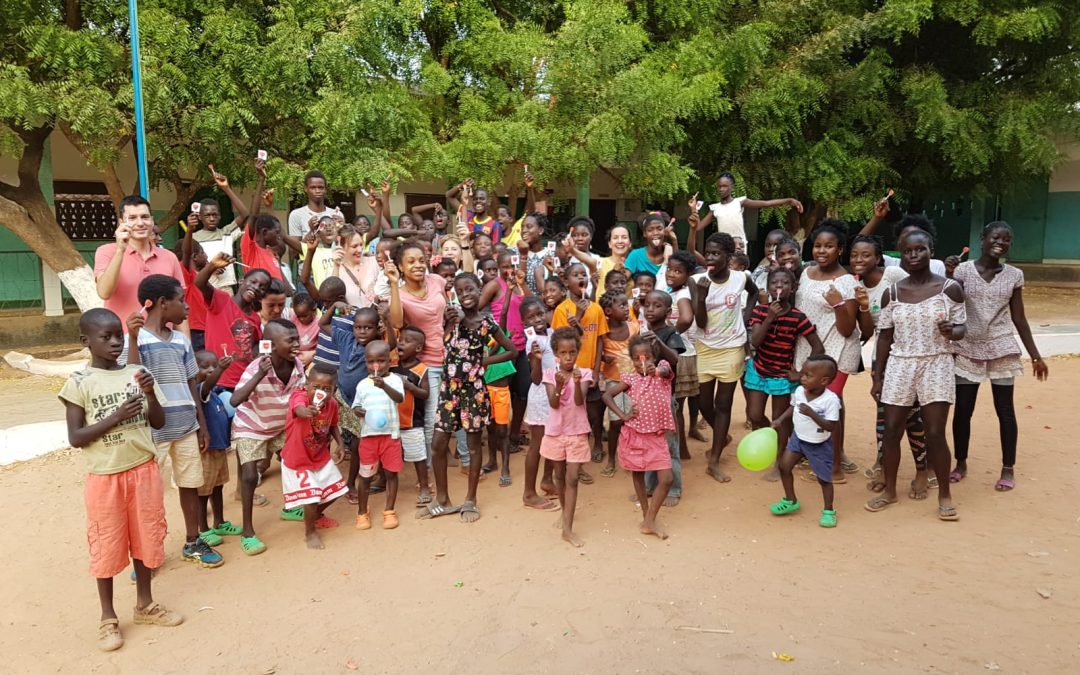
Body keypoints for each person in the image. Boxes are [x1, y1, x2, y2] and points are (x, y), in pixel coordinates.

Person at [59, 309, 183, 652]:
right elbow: (76, 436)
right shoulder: (79, 383)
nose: (115, 342)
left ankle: (145, 604)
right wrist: (116, 416)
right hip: (105, 478)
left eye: (119, 335)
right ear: (86, 342)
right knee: (107, 544)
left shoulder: (137, 373)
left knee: (146, 538)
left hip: (143, 470)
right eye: (106, 337)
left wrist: (151, 395)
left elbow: (157, 422)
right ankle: (107, 617)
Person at [867, 229, 966, 521]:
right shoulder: (893, 293)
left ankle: (945, 494)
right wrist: (877, 376)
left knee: (935, 433)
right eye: (907, 251)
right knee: (891, 431)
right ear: (901, 254)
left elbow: (962, 328)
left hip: (937, 362)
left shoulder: (950, 288)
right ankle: (889, 490)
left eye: (920, 249)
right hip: (900, 363)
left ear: (930, 250)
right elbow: (884, 336)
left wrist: (953, 330)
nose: (913, 256)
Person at [946, 221, 1048, 491]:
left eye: (1006, 239)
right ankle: (961, 463)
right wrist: (949, 274)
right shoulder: (963, 271)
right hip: (968, 346)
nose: (1000, 242)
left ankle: (1007, 468)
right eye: (995, 237)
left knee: (1005, 410)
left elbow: (1019, 318)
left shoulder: (1014, 275)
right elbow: (949, 302)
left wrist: (1036, 356)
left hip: (1002, 347)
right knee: (963, 411)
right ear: (982, 239)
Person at [124, 275, 219, 568]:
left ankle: (192, 541)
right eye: (181, 300)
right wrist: (132, 338)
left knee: (190, 484)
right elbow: (131, 374)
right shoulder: (140, 340)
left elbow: (192, 384)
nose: (187, 307)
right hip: (155, 431)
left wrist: (201, 425)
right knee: (149, 494)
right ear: (163, 303)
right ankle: (146, 552)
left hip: (186, 427)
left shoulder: (180, 340)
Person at [418, 273, 517, 523]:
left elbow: (512, 351)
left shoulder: (487, 323)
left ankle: (471, 499)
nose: (466, 295)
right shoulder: (450, 317)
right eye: (460, 292)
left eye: (470, 289)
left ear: (480, 289)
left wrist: (485, 361)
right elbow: (441, 338)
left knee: (474, 446)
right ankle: (442, 499)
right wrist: (450, 322)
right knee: (439, 444)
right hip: (449, 390)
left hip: (474, 392)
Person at [850, 235, 929, 497]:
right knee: (884, 415)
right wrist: (862, 306)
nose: (859, 260)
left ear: (878, 258)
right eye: (854, 255)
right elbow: (870, 332)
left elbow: (919, 292)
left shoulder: (893, 276)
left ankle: (921, 469)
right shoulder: (856, 285)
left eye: (865, 255)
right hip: (885, 355)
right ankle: (884, 464)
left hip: (912, 353)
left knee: (912, 415)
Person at [229, 319, 306, 555]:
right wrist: (259, 375)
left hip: (278, 425)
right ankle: (248, 531)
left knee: (294, 463)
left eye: (297, 338)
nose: (297, 343)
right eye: (290, 340)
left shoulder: (298, 365)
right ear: (271, 346)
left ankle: (290, 507)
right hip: (251, 426)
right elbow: (235, 400)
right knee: (250, 475)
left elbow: (298, 394)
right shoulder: (256, 367)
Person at [793, 221, 861, 482]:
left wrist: (839, 304)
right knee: (828, 404)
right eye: (818, 245)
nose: (822, 251)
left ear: (840, 249)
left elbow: (847, 329)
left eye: (829, 246)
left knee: (827, 405)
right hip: (808, 348)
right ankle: (834, 452)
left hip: (837, 350)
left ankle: (834, 468)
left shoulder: (845, 282)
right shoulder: (805, 273)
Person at [746, 268, 824, 479]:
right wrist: (770, 317)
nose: (779, 287)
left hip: (781, 376)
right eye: (774, 283)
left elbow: (818, 348)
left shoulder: (798, 317)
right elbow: (755, 342)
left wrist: (801, 375)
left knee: (779, 419)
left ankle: (780, 460)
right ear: (768, 287)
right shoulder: (761, 311)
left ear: (794, 287)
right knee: (754, 415)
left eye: (784, 283)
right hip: (758, 370)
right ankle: (767, 441)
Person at [692, 232, 758, 483]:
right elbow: (700, 322)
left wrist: (746, 316)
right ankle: (723, 434)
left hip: (732, 347)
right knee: (704, 402)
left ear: (729, 257)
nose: (710, 257)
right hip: (706, 347)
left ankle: (715, 459)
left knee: (724, 404)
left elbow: (754, 294)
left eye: (716, 253)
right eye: (708, 252)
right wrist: (701, 296)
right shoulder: (698, 280)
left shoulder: (742, 277)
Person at [602, 336, 676, 539]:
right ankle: (647, 516)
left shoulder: (662, 370)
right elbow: (607, 396)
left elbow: (667, 370)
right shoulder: (630, 379)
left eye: (646, 357)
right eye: (636, 358)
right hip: (634, 434)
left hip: (657, 436)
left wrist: (657, 371)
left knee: (667, 479)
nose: (642, 362)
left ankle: (650, 518)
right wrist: (624, 415)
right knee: (638, 474)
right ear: (632, 360)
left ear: (654, 357)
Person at [318, 306, 384, 503]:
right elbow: (323, 323)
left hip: (361, 404)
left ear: (377, 329)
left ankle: (350, 483)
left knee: (357, 445)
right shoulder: (346, 338)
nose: (362, 332)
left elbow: (394, 344)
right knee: (326, 434)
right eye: (358, 327)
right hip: (341, 398)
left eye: (368, 328)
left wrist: (387, 320)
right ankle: (321, 480)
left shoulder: (376, 348)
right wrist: (334, 307)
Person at [768, 356, 842, 527]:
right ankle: (790, 500)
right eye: (802, 374)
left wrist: (812, 414)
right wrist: (780, 420)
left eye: (808, 375)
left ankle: (829, 510)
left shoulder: (830, 400)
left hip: (819, 444)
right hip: (798, 439)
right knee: (784, 467)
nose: (802, 378)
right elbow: (793, 406)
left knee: (824, 479)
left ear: (824, 380)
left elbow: (831, 426)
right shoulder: (800, 390)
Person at [95, 195, 187, 334]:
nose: (140, 223)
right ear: (121, 222)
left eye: (145, 217)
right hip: (122, 342)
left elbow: (180, 305)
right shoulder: (106, 252)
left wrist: (186, 348)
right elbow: (104, 293)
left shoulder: (169, 257)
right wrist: (120, 250)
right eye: (132, 218)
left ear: (151, 220)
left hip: (162, 343)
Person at [551, 263, 607, 482]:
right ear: (566, 282)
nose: (580, 277)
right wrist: (579, 315)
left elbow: (601, 340)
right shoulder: (561, 310)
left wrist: (595, 370)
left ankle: (584, 456)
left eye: (583, 274)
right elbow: (560, 343)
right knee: (570, 418)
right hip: (568, 374)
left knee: (589, 416)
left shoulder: (597, 308)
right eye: (575, 275)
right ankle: (570, 463)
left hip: (589, 373)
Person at [281, 365, 347, 548]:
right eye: (316, 387)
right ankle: (309, 532)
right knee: (312, 497)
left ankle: (315, 515)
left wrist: (340, 444)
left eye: (327, 389)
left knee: (337, 490)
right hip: (298, 460)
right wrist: (306, 411)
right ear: (307, 385)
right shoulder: (300, 396)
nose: (321, 392)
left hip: (319, 456)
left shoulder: (332, 404)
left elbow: (333, 425)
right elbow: (298, 408)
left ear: (334, 390)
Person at [542, 327, 594, 547]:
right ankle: (565, 514)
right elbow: (553, 403)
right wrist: (560, 385)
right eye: (563, 353)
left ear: (577, 352)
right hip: (555, 432)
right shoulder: (549, 375)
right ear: (556, 354)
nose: (568, 357)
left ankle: (568, 529)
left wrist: (576, 381)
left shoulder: (585, 373)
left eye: (572, 352)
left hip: (577, 431)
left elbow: (580, 401)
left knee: (572, 477)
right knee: (559, 476)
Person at [194, 254, 270, 399]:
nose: (256, 287)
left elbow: (253, 346)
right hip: (218, 380)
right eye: (253, 282)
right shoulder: (221, 300)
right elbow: (199, 283)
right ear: (241, 281)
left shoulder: (255, 318)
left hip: (243, 382)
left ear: (263, 295)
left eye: (262, 287)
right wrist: (212, 266)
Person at [351, 340, 405, 530]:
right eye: (371, 362)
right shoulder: (362, 385)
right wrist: (359, 411)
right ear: (365, 362)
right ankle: (362, 513)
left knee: (391, 473)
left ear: (390, 361)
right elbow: (356, 406)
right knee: (365, 476)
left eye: (381, 361)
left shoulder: (395, 380)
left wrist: (384, 386)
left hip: (390, 436)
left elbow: (399, 398)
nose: (376, 366)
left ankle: (389, 510)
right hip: (368, 438)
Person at [192, 350, 241, 545]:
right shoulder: (198, 391)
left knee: (218, 486)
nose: (210, 370)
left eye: (213, 365)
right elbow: (207, 384)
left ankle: (219, 522)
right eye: (205, 366)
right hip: (207, 451)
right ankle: (203, 529)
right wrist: (220, 369)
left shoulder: (215, 394)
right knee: (203, 492)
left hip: (219, 448)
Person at [519, 297, 560, 511]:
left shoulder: (552, 334)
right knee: (537, 444)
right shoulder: (532, 342)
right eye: (531, 317)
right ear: (525, 323)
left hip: (555, 394)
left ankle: (547, 480)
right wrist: (534, 358)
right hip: (541, 396)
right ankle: (528, 493)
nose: (537, 319)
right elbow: (535, 378)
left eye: (539, 313)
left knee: (553, 438)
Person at [696, 173, 803, 246]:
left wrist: (789, 200)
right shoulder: (715, 208)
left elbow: (766, 203)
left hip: (739, 246)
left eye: (724, 186)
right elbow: (698, 228)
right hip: (723, 246)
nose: (721, 189)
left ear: (732, 187)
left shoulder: (739, 202)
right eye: (719, 186)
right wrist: (693, 210)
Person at [598, 290, 639, 477]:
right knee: (615, 423)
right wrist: (603, 359)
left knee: (634, 420)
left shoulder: (633, 327)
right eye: (621, 305)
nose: (626, 308)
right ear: (608, 310)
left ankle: (632, 457)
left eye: (626, 304)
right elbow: (596, 353)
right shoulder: (603, 332)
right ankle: (612, 459)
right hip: (613, 381)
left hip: (635, 381)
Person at [191, 168, 250, 292]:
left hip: (226, 288)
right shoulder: (194, 238)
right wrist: (210, 268)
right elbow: (191, 264)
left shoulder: (227, 233)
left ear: (220, 216)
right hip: (204, 287)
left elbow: (245, 214)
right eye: (207, 215)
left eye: (215, 215)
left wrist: (226, 188)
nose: (211, 218)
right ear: (200, 217)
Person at [391, 326, 432, 506]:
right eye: (400, 339)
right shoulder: (391, 365)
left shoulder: (422, 369)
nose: (401, 343)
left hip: (412, 421)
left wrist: (409, 386)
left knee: (418, 455)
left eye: (407, 341)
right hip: (391, 420)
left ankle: (424, 485)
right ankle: (384, 482)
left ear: (417, 349)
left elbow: (425, 394)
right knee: (389, 454)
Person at [178, 220, 210, 351]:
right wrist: (190, 230)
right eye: (203, 252)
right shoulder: (187, 274)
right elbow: (186, 254)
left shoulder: (198, 275)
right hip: (195, 329)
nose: (206, 255)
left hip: (205, 328)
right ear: (195, 256)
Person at [625, 213, 675, 277]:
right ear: (645, 233)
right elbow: (623, 279)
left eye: (659, 229)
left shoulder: (670, 252)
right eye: (650, 230)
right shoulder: (636, 255)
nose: (655, 233)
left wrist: (674, 240)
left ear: (664, 231)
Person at [287, 170, 333, 238]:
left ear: (325, 189)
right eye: (313, 187)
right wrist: (311, 231)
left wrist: (341, 227)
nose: (317, 191)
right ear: (306, 189)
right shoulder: (296, 215)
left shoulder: (336, 214)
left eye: (321, 187)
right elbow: (294, 248)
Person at [595, 225, 635, 297]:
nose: (620, 241)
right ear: (609, 244)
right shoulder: (599, 262)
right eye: (615, 238)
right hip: (602, 307)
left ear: (630, 243)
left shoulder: (635, 263)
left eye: (624, 237)